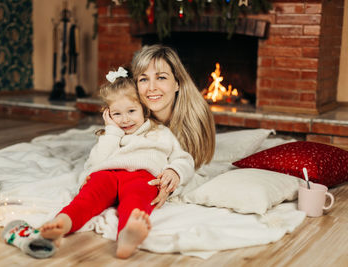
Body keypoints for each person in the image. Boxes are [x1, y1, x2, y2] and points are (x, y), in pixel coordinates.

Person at [39, 67, 194, 259]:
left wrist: (175, 171)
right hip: (108, 174)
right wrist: (111, 131)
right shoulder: (110, 135)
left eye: (131, 111)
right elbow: (95, 163)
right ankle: (63, 222)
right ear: (108, 114)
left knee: (136, 201)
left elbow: (183, 158)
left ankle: (127, 235)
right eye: (117, 114)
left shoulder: (159, 132)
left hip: (143, 176)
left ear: (144, 108)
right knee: (89, 196)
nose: (125, 119)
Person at [131, 44, 216, 207]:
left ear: (177, 83)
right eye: (143, 79)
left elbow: (192, 165)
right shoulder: (134, 114)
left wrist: (169, 184)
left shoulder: (195, 114)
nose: (151, 87)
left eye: (161, 77)